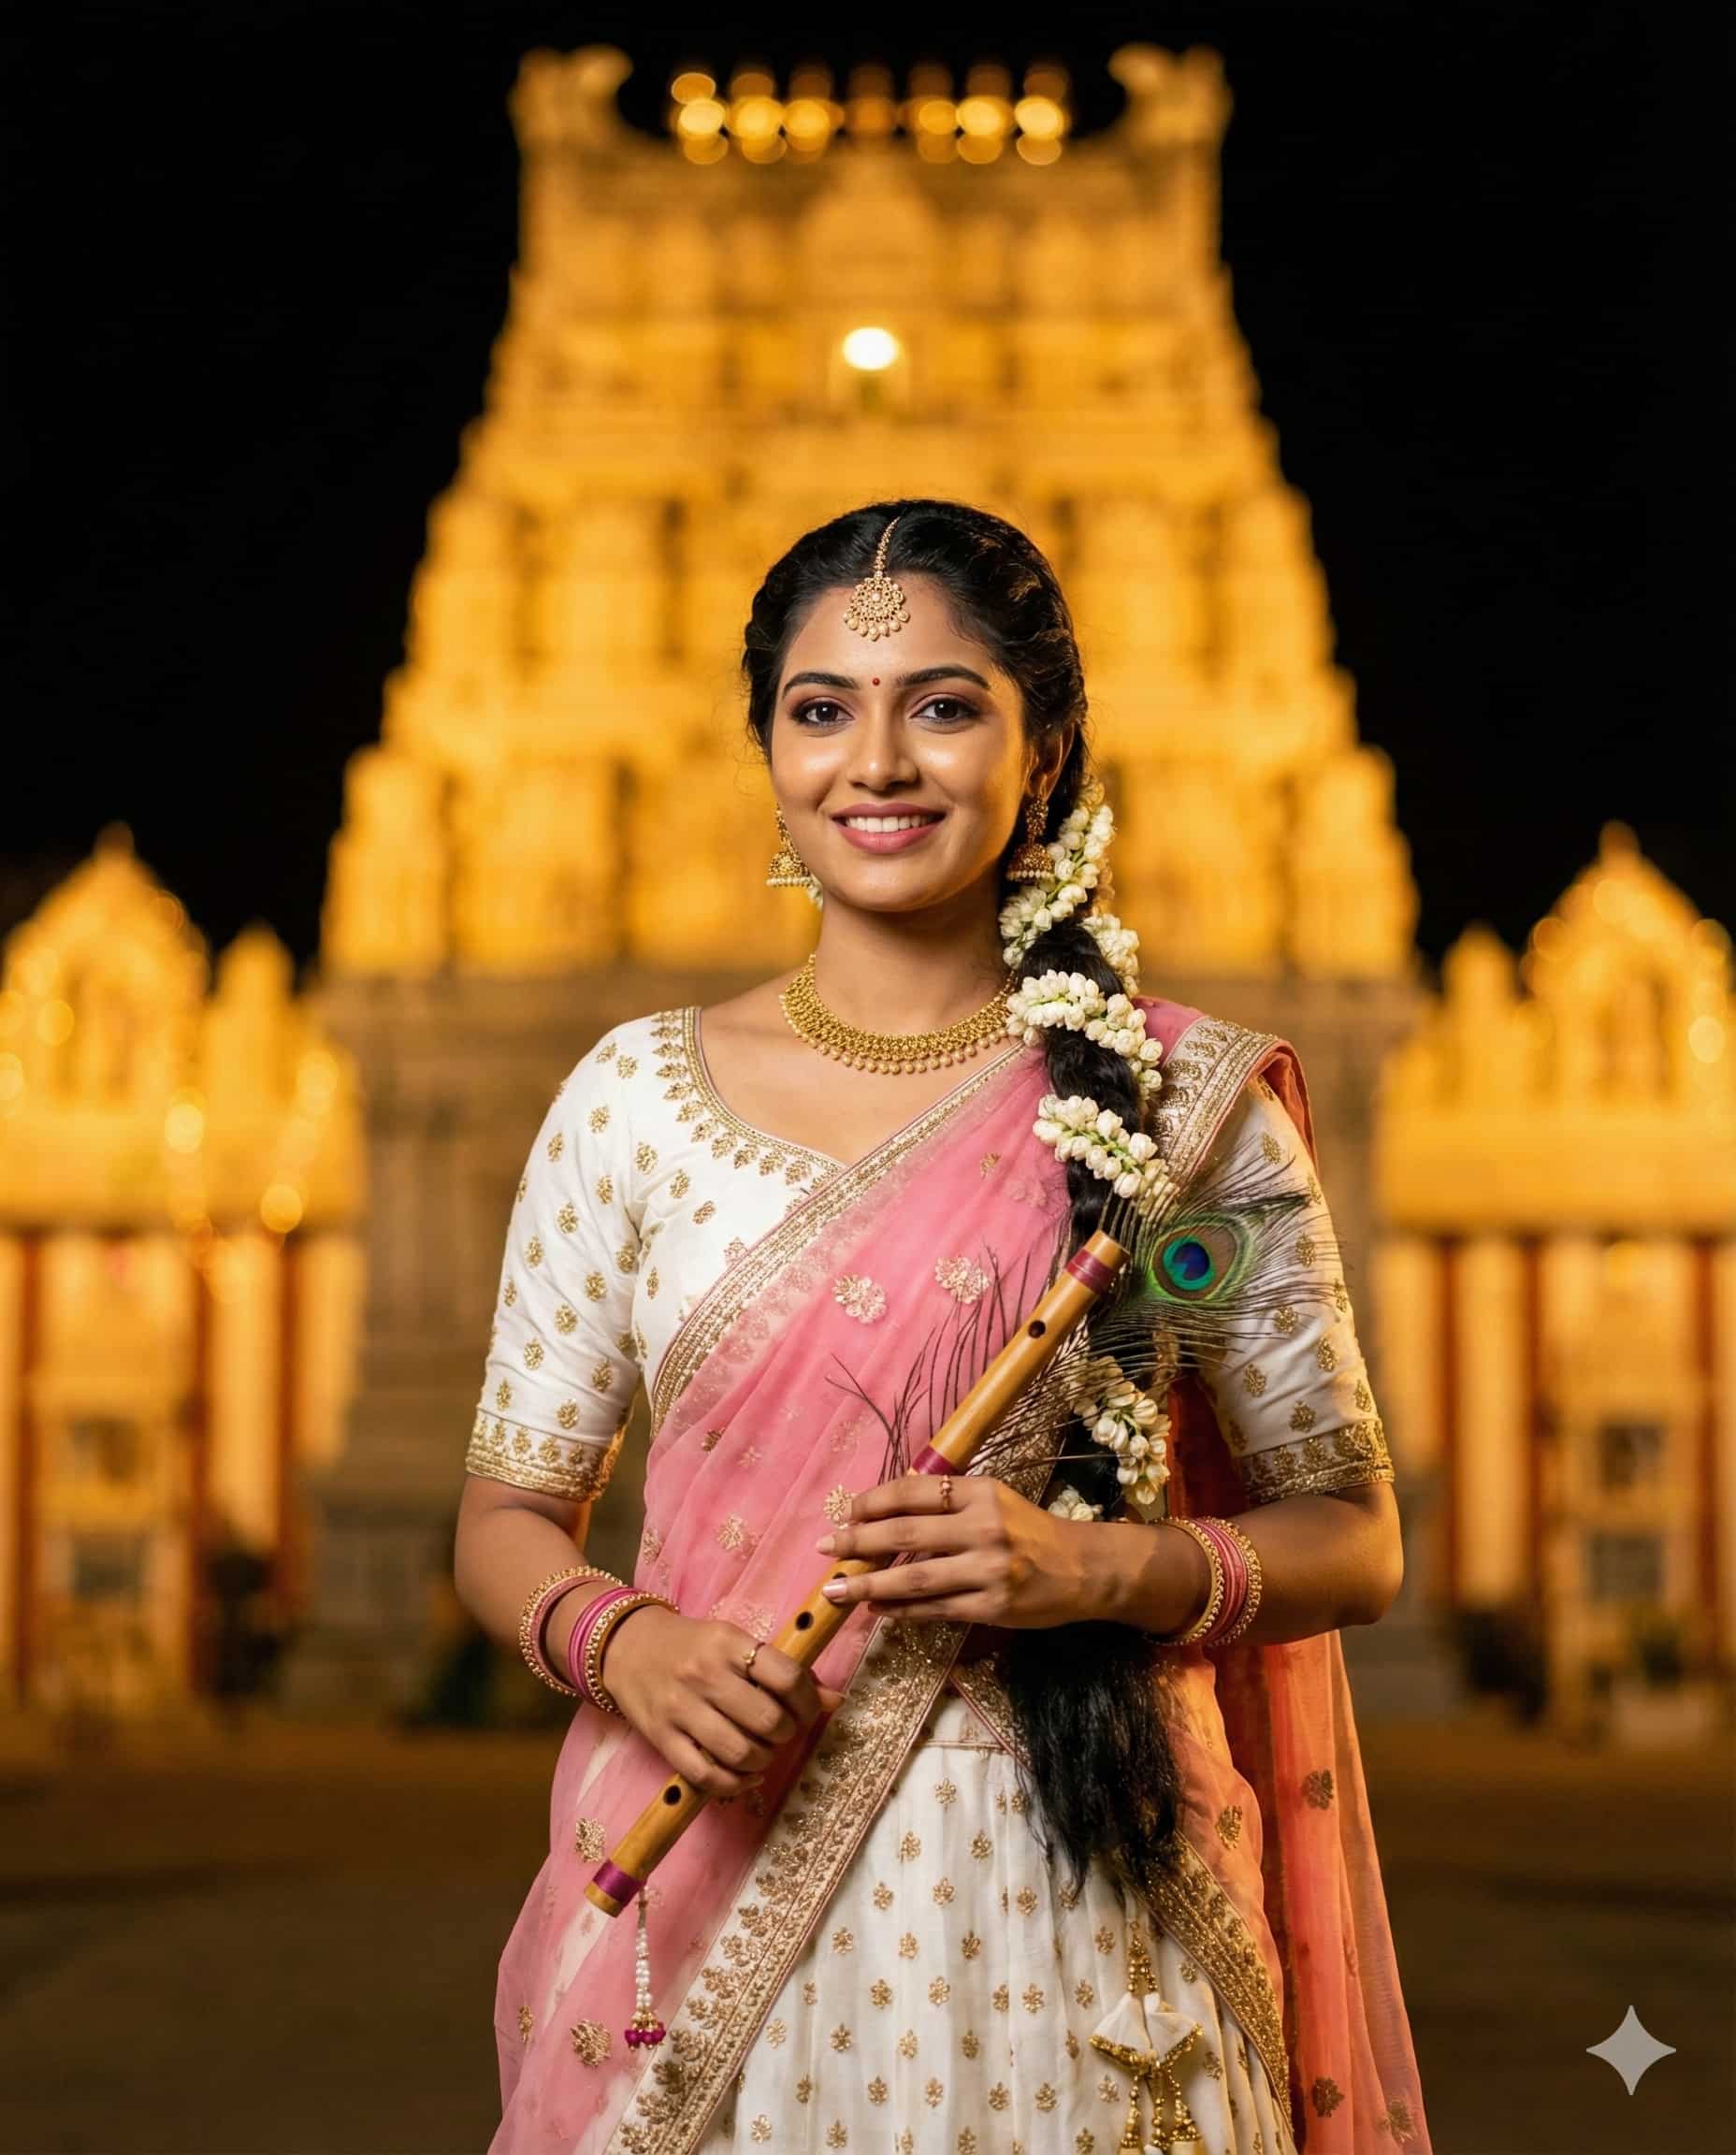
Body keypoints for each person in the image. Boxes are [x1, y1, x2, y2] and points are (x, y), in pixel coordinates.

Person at [452, 500, 1431, 2155]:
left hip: (1100, 1926)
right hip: (706, 1902)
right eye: (822, 707)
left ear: (1043, 751)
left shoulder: (1186, 1125)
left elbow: (1355, 1534)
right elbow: (504, 1522)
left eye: (948, 704)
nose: (879, 761)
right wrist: (627, 1643)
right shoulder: (630, 1105)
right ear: (767, 751)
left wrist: (1096, 1573)